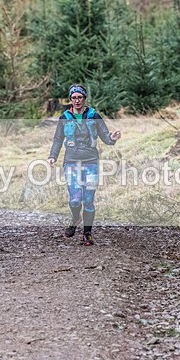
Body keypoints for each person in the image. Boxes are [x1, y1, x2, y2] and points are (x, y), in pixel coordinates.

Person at [47, 85, 121, 246]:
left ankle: (87, 233)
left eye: (80, 97)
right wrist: (52, 156)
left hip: (91, 161)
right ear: (70, 99)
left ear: (84, 98)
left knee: (88, 200)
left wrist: (113, 138)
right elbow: (58, 139)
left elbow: (105, 136)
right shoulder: (64, 117)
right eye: (74, 98)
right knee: (75, 199)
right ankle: (75, 218)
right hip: (71, 162)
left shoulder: (94, 115)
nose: (77, 100)